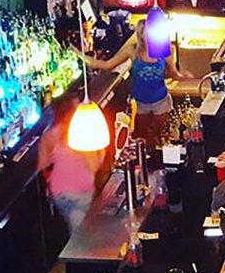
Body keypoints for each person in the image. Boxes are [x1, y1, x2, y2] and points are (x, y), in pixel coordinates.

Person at [77, 20, 191, 147]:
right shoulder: (132, 50)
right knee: (143, 141)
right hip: (141, 104)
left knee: (165, 140)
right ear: (141, 35)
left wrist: (184, 77)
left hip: (161, 102)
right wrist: (81, 56)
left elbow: (173, 73)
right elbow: (108, 65)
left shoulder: (164, 51)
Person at [38, 98, 105, 231]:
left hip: (59, 194)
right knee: (82, 235)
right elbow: (94, 166)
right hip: (81, 195)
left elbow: (42, 164)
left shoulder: (49, 135)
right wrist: (102, 152)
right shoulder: (83, 135)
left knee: (76, 229)